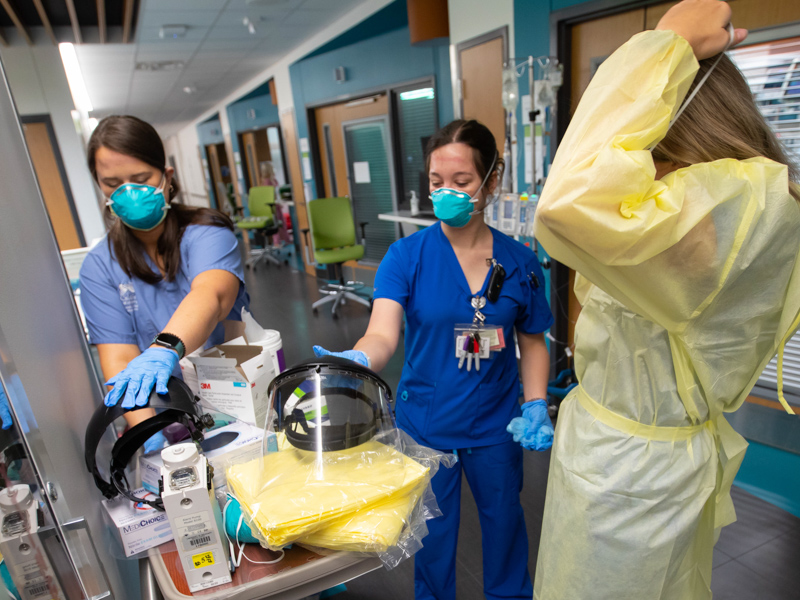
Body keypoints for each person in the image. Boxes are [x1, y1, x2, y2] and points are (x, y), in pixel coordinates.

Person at [531, 1, 800, 598]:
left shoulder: (709, 218)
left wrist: (668, 43)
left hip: (629, 470)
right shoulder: (755, 206)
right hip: (646, 456)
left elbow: (564, 202)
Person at [314, 119, 553, 600]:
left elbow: (532, 340)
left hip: (496, 423)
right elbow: (383, 332)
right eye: (436, 183)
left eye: (461, 182)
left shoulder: (521, 261)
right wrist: (359, 357)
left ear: (492, 180)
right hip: (427, 420)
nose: (446, 193)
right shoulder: (406, 256)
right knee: (433, 539)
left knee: (506, 526)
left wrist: (535, 403)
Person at [79, 116, 249, 452]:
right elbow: (120, 358)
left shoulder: (208, 234)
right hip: (164, 408)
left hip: (237, 393)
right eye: (113, 184)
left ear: (166, 178)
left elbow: (211, 295)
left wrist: (164, 349)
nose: (128, 193)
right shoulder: (99, 266)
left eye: (141, 179)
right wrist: (150, 434)